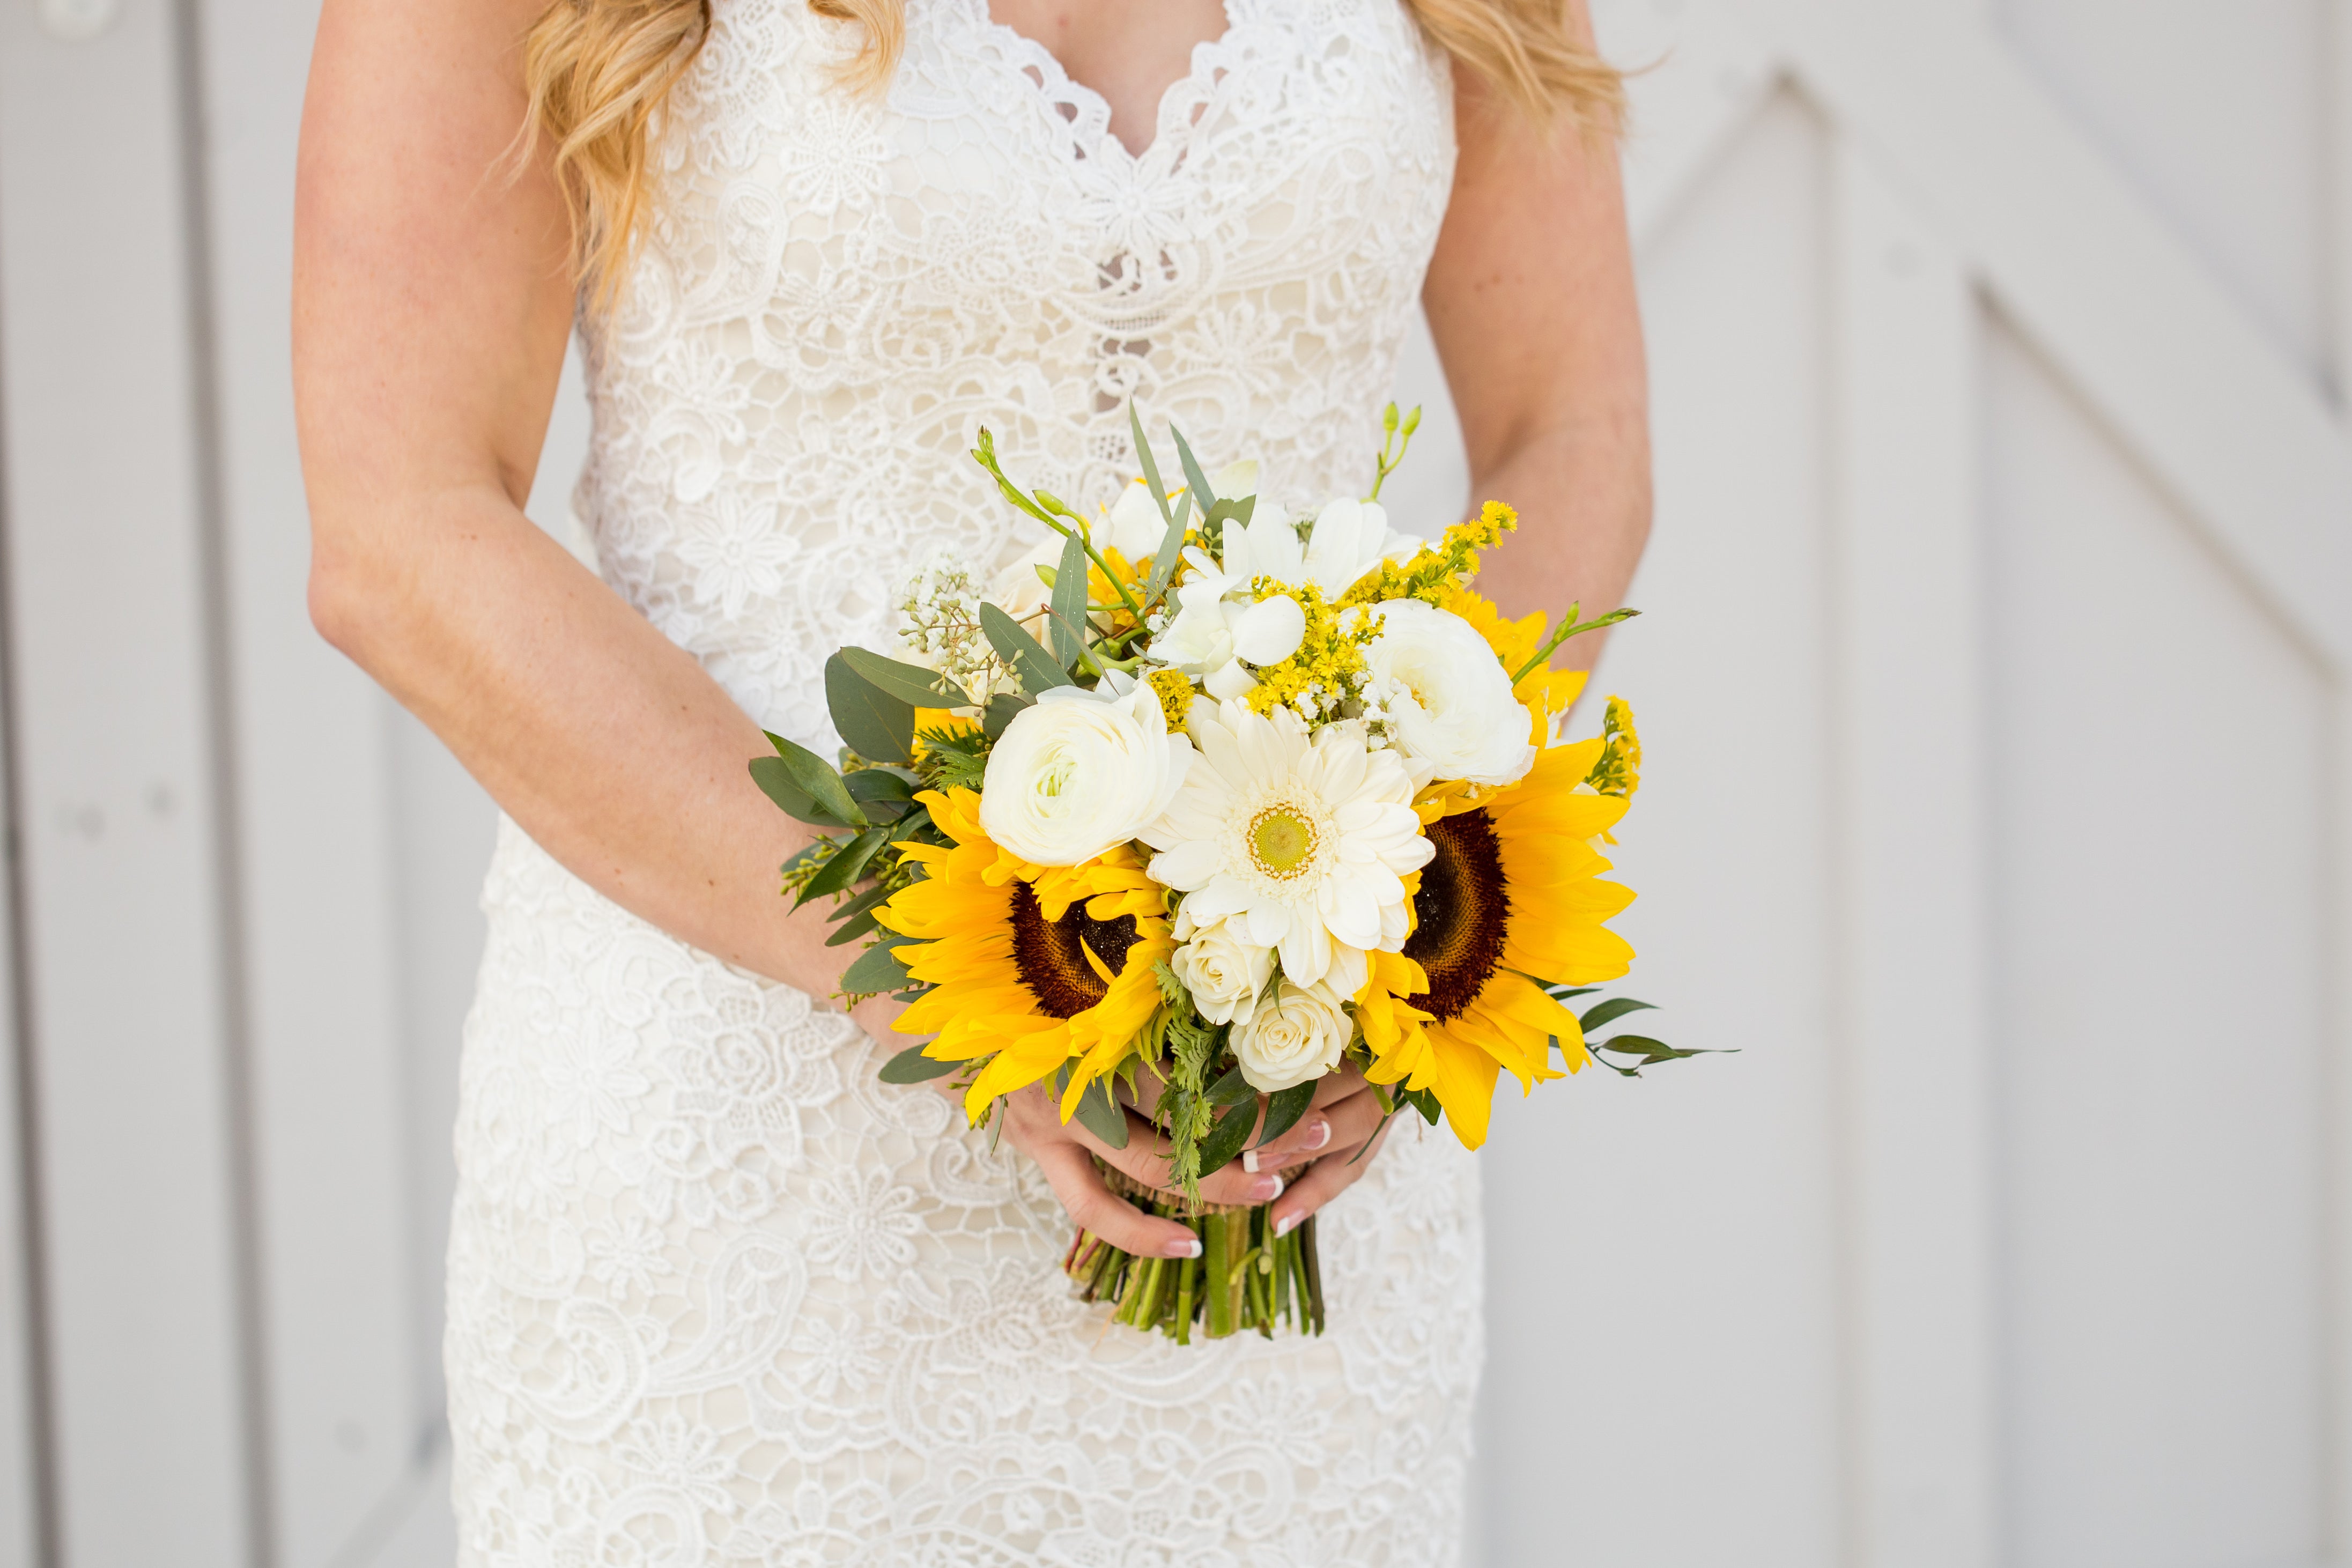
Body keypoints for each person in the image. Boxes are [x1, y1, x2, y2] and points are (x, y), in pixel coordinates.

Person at [293, 0, 1650, 1558]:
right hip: (747, 1177)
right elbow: (399, 531)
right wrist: (960, 973)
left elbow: (1577, 431)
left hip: (1279, 1146)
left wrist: (1395, 890)